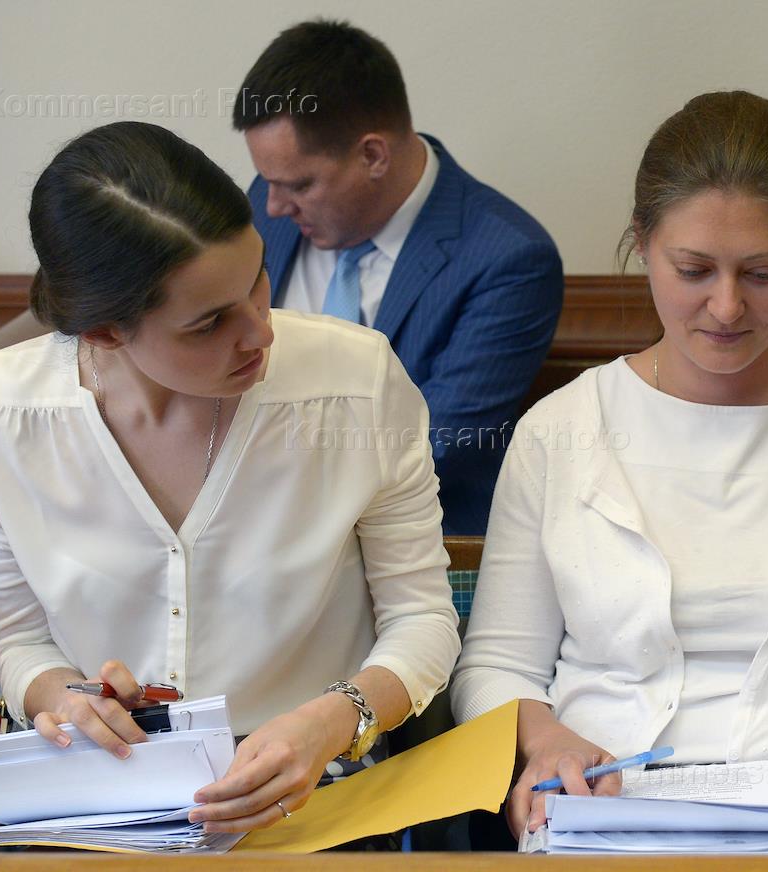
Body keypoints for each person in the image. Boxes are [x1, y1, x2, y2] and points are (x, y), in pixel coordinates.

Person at [450, 91, 768, 852]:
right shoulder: (561, 431)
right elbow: (497, 665)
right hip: (600, 823)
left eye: (762, 273)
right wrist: (547, 742)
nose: (726, 307)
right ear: (641, 242)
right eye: (693, 269)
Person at [0, 121, 461, 834]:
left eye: (257, 281)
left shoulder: (355, 384)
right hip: (103, 795)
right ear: (103, 332)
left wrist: (333, 720)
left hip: (322, 784)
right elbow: (20, 637)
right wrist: (65, 699)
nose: (261, 332)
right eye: (210, 323)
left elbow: (423, 619)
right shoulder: (3, 414)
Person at [232, 20, 565, 536]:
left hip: (416, 543)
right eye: (268, 180)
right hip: (246, 527)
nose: (273, 206)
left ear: (373, 155)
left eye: (299, 185)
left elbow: (434, 445)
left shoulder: (508, 258)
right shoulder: (266, 203)